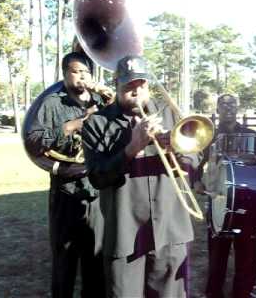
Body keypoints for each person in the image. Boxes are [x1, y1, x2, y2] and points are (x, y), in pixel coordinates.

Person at [81, 55, 202, 298]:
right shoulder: (96, 123)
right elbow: (97, 178)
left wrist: (176, 150)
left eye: (142, 85)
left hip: (170, 230)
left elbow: (194, 164)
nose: (137, 93)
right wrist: (132, 147)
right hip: (125, 233)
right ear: (116, 85)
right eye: (129, 87)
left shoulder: (170, 114)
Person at [26, 51, 107, 297]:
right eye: (76, 71)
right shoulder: (52, 103)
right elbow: (34, 141)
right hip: (66, 191)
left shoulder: (101, 101)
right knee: (64, 260)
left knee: (96, 259)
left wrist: (111, 103)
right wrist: (73, 125)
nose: (82, 76)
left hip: (96, 191)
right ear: (65, 74)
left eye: (86, 72)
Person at [195, 93, 256, 298]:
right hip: (219, 199)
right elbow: (195, 160)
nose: (228, 107)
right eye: (223, 104)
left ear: (238, 107)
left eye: (232, 104)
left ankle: (243, 292)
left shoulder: (252, 134)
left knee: (248, 253)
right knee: (217, 254)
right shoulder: (208, 135)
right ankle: (214, 293)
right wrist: (196, 181)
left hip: (246, 202)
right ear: (217, 109)